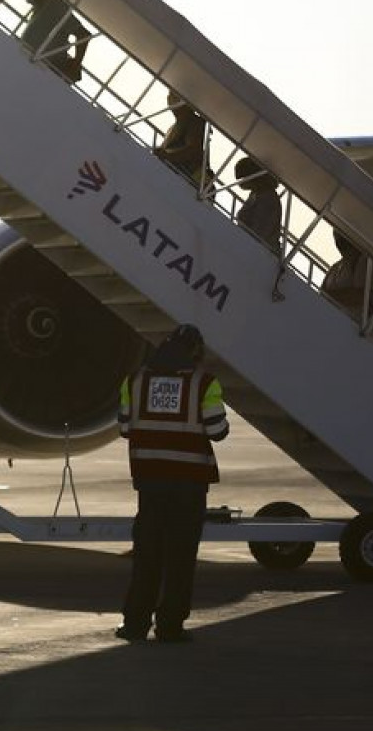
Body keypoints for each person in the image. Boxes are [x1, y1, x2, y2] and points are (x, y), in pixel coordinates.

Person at [115, 324, 228, 643]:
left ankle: (135, 624)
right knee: (180, 558)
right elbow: (217, 430)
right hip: (188, 483)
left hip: (150, 482)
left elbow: (124, 427)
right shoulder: (203, 383)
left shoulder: (136, 381)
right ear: (195, 352)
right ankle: (170, 626)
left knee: (147, 555)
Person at [320, 231, 373, 335]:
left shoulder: (367, 262)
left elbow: (361, 296)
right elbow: (322, 293)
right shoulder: (337, 266)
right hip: (330, 323)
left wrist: (330, 295)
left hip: (352, 329)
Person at [233, 157, 287, 302]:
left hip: (261, 252)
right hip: (254, 248)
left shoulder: (268, 198)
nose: (241, 183)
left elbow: (261, 231)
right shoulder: (256, 194)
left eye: (243, 178)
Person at [19, 0, 88, 84]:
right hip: (33, 67)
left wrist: (75, 65)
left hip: (44, 71)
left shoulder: (56, 5)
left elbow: (83, 35)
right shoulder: (41, 6)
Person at [154, 91, 207, 186]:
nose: (169, 99)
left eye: (173, 95)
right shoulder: (174, 126)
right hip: (172, 176)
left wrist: (167, 156)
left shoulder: (194, 122)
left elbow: (193, 150)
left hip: (185, 180)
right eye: (170, 95)